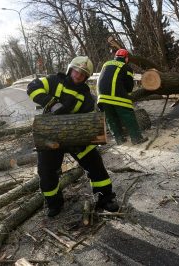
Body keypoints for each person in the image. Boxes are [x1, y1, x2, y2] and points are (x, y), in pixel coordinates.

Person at [27, 56, 119, 217]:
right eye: (77, 71)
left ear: (86, 77)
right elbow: (33, 87)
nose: (78, 75)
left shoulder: (86, 96)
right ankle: (54, 204)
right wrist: (51, 103)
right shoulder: (54, 81)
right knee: (46, 171)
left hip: (75, 136)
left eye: (83, 74)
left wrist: (80, 140)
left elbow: (87, 121)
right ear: (71, 69)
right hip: (51, 135)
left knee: (95, 163)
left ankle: (105, 198)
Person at [97, 49, 148, 145]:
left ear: (115, 57)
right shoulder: (126, 67)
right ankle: (136, 138)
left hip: (101, 96)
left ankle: (119, 139)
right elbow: (129, 87)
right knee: (128, 115)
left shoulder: (106, 64)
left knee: (111, 118)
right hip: (117, 96)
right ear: (126, 58)